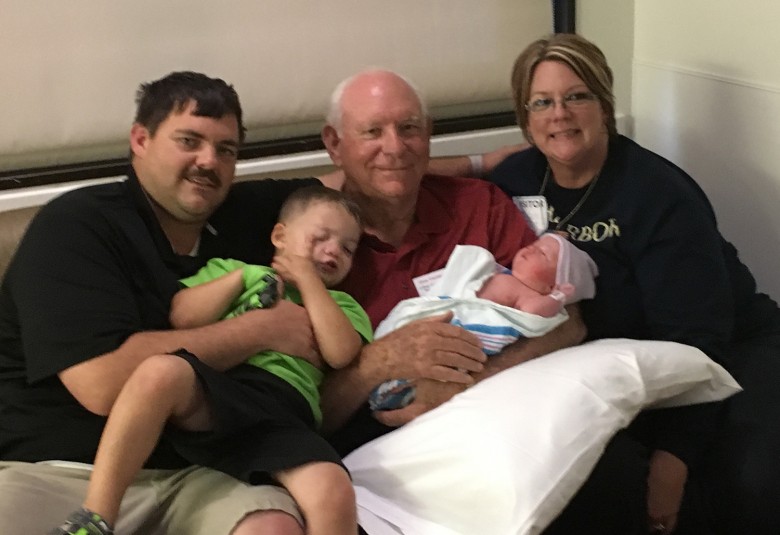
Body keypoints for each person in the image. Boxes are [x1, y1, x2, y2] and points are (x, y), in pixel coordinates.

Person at [0, 71, 334, 534]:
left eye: (226, 149)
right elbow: (101, 384)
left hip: (202, 471)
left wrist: (473, 163)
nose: (208, 161)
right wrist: (262, 330)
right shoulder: (79, 227)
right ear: (140, 139)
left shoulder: (245, 216)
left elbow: (363, 176)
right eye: (188, 140)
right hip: (58, 471)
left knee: (272, 527)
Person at [473, 33, 780, 535]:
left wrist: (673, 460)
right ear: (524, 119)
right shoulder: (515, 179)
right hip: (621, 365)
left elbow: (698, 340)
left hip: (731, 348)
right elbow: (434, 184)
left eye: (577, 96)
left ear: (604, 105)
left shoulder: (658, 194)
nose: (560, 114)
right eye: (542, 102)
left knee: (751, 486)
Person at [49, 185, 371, 535]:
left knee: (334, 489)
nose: (332, 251)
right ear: (280, 236)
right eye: (320, 237)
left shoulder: (342, 305)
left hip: (284, 412)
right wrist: (241, 279)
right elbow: (182, 315)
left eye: (347, 248)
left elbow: (341, 353)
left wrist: (309, 283)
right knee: (160, 370)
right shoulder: (233, 270)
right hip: (222, 389)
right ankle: (96, 517)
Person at [314, 68, 587, 463]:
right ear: (334, 145)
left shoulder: (479, 206)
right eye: (372, 132)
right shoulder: (314, 241)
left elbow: (568, 323)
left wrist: (465, 386)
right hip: (374, 443)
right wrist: (376, 364)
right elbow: (303, 412)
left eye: (409, 128)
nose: (395, 147)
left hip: (496, 415)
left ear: (427, 134)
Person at [368, 232, 598, 411]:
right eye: (535, 245)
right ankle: (394, 382)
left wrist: (556, 298)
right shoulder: (503, 274)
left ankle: (402, 387)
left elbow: (534, 314)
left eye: (543, 255)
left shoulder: (530, 295)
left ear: (551, 284)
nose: (530, 249)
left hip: (471, 326)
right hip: (456, 308)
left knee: (443, 349)